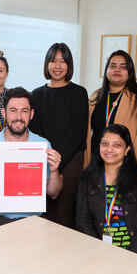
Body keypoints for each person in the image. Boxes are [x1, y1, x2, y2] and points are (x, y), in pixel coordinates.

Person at [0, 87, 63, 231]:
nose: (18, 116)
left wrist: (54, 171)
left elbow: (54, 193)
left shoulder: (43, 145)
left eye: (24, 111)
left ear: (31, 114)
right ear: (4, 113)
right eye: (13, 110)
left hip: (33, 220)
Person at [76, 124, 137, 256]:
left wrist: (129, 255)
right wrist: (98, 250)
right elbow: (83, 221)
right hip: (97, 252)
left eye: (117, 145)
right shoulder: (87, 179)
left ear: (127, 150)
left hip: (134, 254)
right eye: (105, 144)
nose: (109, 149)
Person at [30, 43, 88, 229]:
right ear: (47, 64)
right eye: (53, 61)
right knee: (43, 213)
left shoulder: (79, 93)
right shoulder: (36, 94)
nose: (57, 66)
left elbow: (79, 133)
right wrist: (48, 162)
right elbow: (35, 133)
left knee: (65, 214)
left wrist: (59, 164)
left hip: (71, 162)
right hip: (42, 160)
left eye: (63, 61)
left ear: (69, 65)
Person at [84, 50, 137, 174]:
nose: (117, 70)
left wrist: (129, 169)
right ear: (106, 70)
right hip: (96, 165)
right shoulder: (96, 96)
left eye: (123, 67)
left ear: (130, 72)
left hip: (127, 168)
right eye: (113, 66)